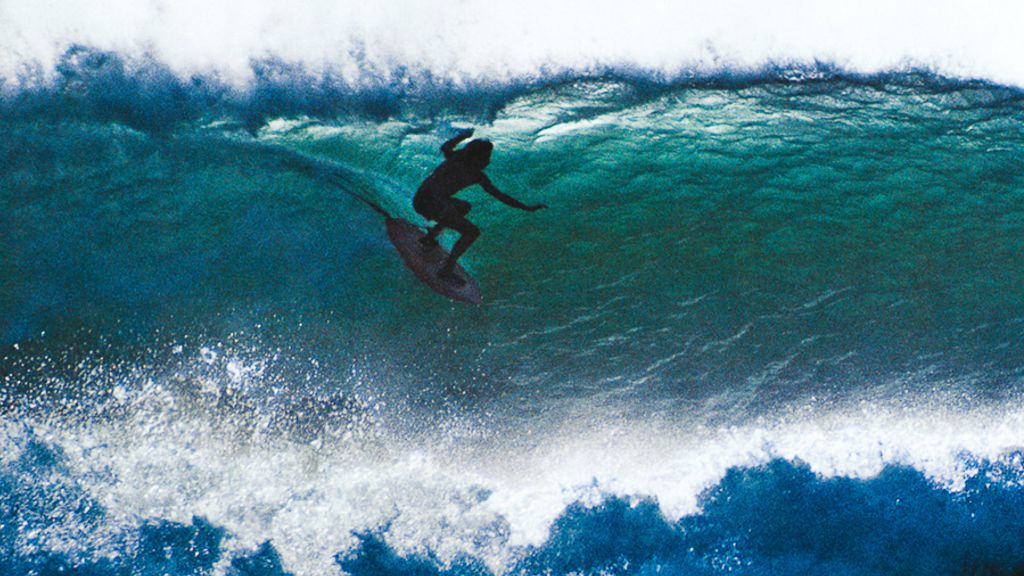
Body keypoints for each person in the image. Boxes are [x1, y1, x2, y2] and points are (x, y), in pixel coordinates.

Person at [413, 128, 546, 286]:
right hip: (433, 205)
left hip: (420, 199)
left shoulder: (455, 158)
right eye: (487, 157)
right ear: (479, 158)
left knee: (464, 206)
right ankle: (446, 269)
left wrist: (462, 136)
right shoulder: (476, 174)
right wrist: (526, 207)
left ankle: (430, 237)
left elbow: (445, 147)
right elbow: (500, 196)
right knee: (472, 232)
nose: (488, 161)